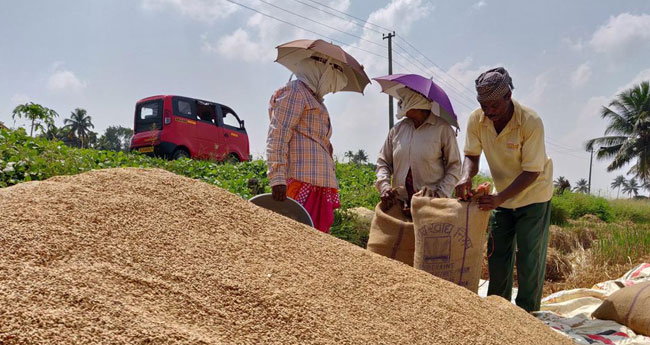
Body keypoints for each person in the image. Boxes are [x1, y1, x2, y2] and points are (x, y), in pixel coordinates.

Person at [455, 67, 553, 312]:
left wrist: (499, 198)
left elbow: (532, 171)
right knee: (497, 253)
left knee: (529, 256)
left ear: (508, 96)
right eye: (483, 105)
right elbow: (471, 155)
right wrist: (466, 175)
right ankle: (499, 312)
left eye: (493, 106)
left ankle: (528, 312)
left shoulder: (530, 122)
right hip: (502, 196)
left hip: (534, 194)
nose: (488, 112)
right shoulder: (477, 120)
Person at [266, 54, 348, 233]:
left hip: (320, 183)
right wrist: (277, 177)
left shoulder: (315, 99)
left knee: (316, 242)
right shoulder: (295, 92)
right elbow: (278, 135)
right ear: (319, 72)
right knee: (296, 236)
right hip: (301, 181)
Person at [376, 87, 461, 215]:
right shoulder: (397, 130)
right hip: (399, 204)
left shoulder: (443, 129)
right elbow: (383, 162)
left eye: (404, 99)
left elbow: (454, 166)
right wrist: (384, 187)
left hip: (431, 206)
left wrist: (439, 196)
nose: (400, 103)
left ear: (417, 102)